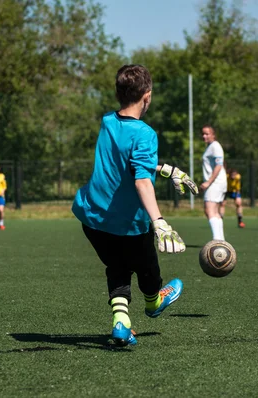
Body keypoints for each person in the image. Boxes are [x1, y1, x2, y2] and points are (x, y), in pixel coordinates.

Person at [72, 65, 198, 347]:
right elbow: (141, 181)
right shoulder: (145, 133)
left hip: (93, 219)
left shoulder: (107, 121)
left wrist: (165, 169)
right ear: (148, 97)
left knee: (117, 266)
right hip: (129, 225)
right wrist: (160, 221)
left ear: (118, 94)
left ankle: (121, 322)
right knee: (148, 271)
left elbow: (127, 161)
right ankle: (154, 302)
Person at [200, 125, 228, 240]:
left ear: (213, 135)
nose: (204, 136)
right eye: (203, 134)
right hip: (217, 182)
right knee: (214, 212)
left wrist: (208, 182)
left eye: (207, 134)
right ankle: (221, 239)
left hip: (215, 183)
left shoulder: (215, 146)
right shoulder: (210, 147)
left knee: (209, 210)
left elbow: (219, 165)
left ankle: (217, 240)